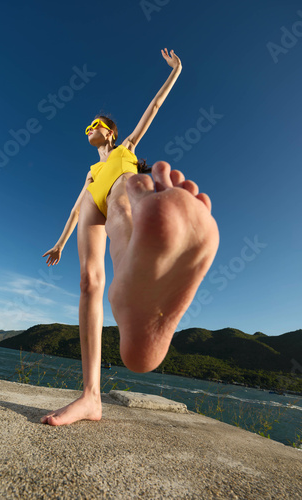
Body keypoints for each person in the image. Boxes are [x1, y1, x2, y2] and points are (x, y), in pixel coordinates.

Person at [41, 48, 219, 426]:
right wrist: (59, 242)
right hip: (93, 200)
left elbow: (152, 108)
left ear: (109, 130)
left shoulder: (125, 149)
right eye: (87, 128)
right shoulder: (89, 172)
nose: (90, 130)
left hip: (121, 185)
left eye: (95, 125)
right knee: (88, 282)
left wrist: (176, 72)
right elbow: (76, 209)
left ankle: (131, 278)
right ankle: (91, 397)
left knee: (123, 207)